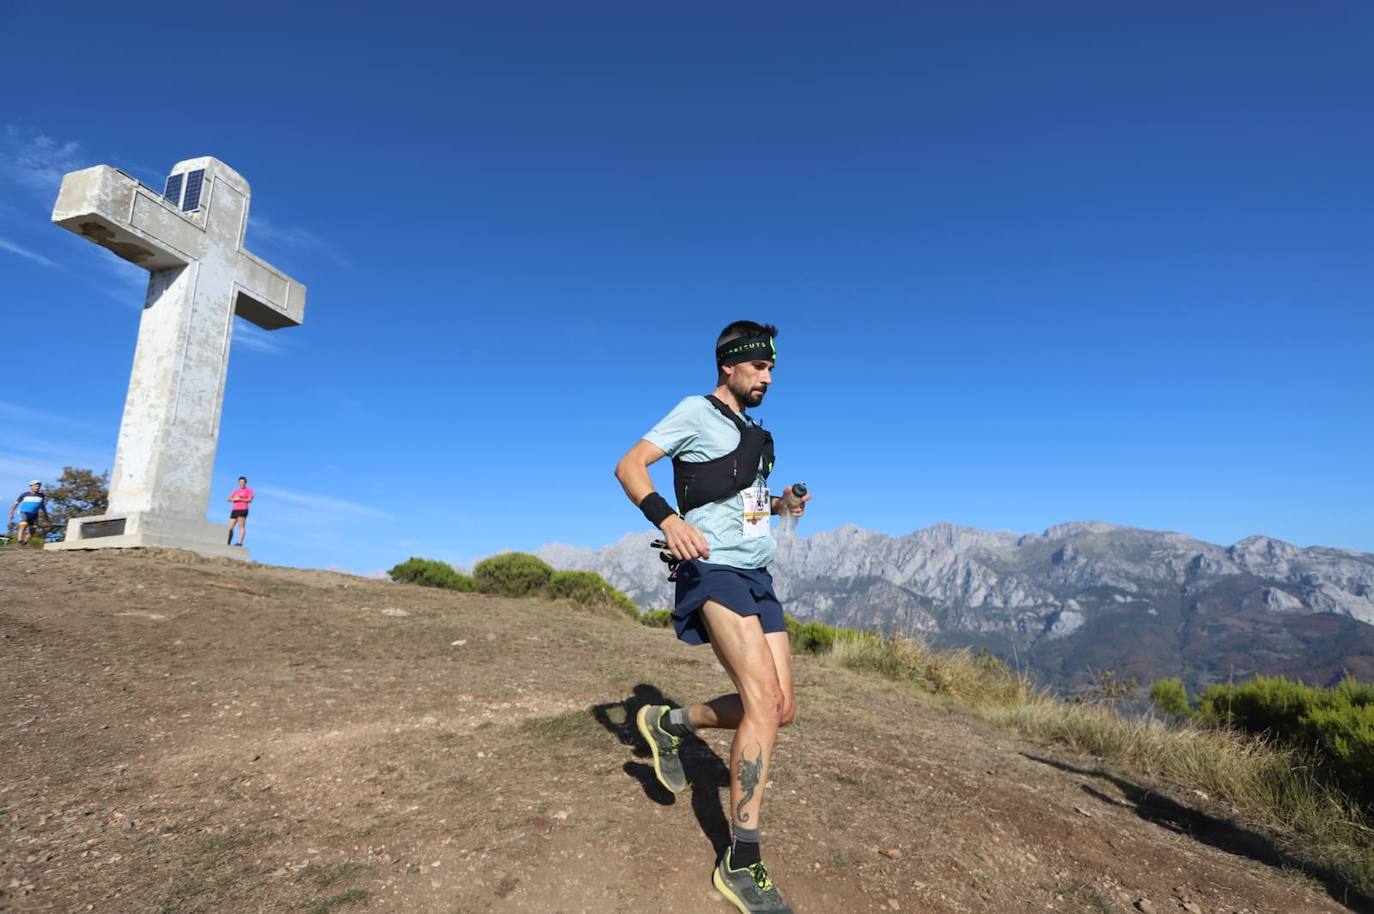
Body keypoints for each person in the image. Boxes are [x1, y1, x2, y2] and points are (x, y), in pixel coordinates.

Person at [614, 320, 810, 914]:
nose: (768, 378)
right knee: (757, 704)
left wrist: (780, 506)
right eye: (759, 368)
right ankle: (741, 860)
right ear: (729, 364)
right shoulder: (694, 412)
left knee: (781, 710)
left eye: (772, 369)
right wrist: (668, 521)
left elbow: (742, 508)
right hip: (713, 569)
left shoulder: (754, 433)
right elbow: (630, 466)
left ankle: (669, 722)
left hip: (757, 573)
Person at [8, 480, 49, 545]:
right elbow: (15, 503)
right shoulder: (24, 495)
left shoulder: (41, 496)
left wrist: (46, 515)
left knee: (33, 530)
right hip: (24, 512)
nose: (37, 487)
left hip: (34, 515)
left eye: (38, 486)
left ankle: (24, 543)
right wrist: (11, 512)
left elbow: (42, 506)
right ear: (31, 486)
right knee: (23, 525)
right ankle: (19, 541)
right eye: (35, 486)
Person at [226, 476, 253, 546]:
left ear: (245, 483)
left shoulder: (248, 490)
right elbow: (228, 499)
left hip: (243, 509)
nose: (242, 483)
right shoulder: (236, 491)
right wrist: (234, 499)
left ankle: (239, 543)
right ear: (238, 483)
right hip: (234, 509)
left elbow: (250, 500)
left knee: (241, 526)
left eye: (243, 482)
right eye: (240, 482)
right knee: (230, 527)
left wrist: (240, 499)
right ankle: (228, 541)